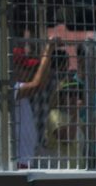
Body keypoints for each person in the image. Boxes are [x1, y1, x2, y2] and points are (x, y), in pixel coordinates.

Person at [11, 40, 56, 168]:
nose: (29, 72)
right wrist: (48, 50)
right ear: (14, 68)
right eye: (25, 68)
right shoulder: (8, 89)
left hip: (23, 160)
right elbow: (38, 84)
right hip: (13, 162)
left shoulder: (20, 90)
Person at [44, 80, 84, 167]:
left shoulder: (78, 119)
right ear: (61, 97)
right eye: (69, 94)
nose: (74, 98)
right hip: (61, 170)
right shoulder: (54, 114)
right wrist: (77, 111)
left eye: (76, 94)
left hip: (78, 169)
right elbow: (67, 139)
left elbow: (93, 137)